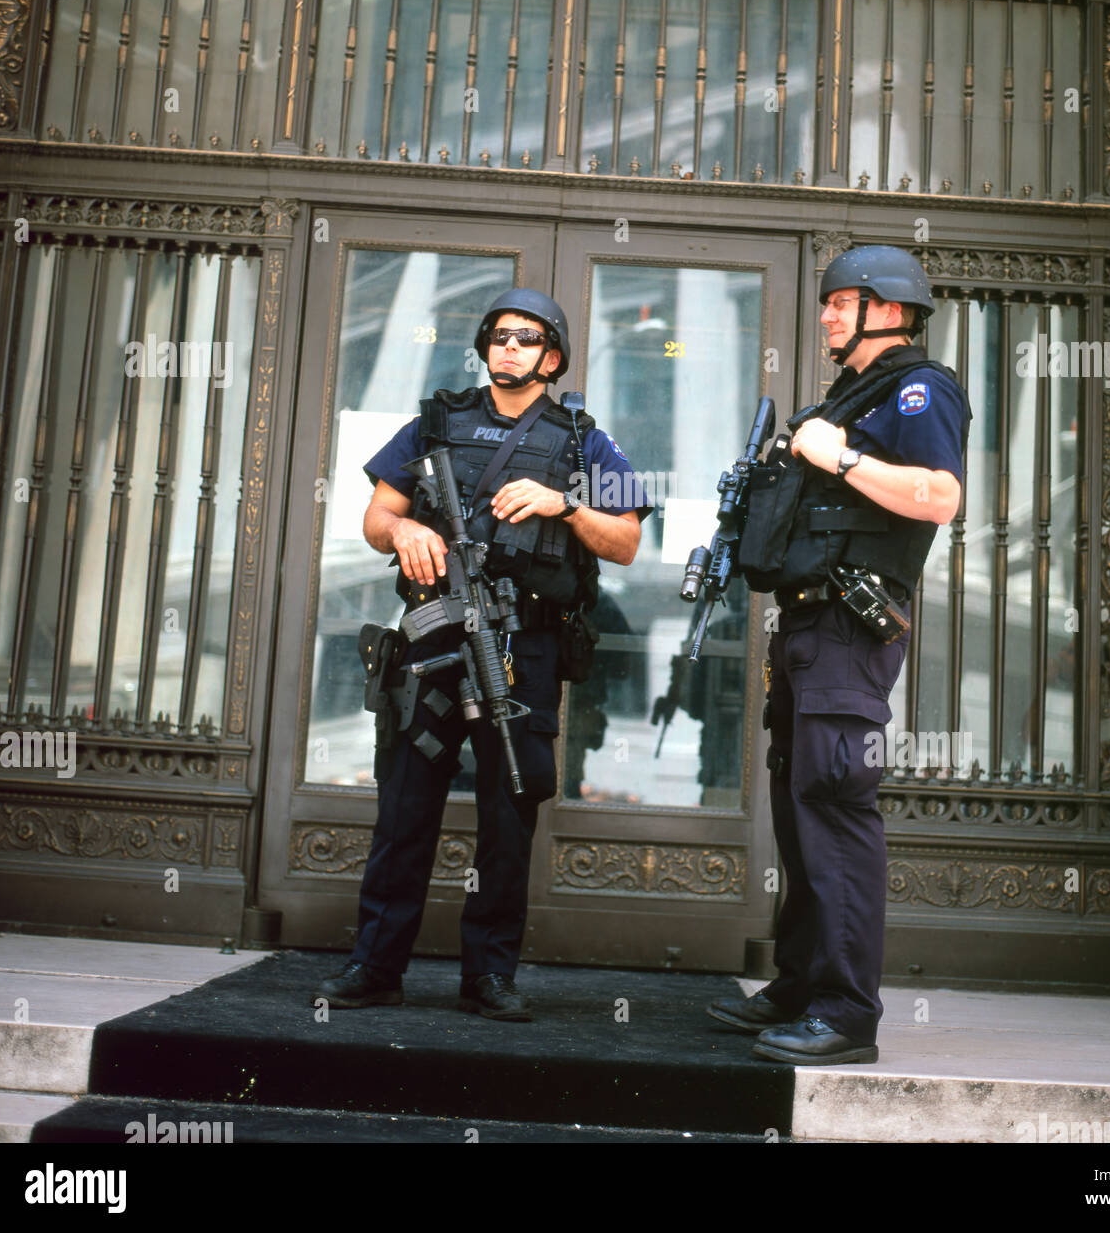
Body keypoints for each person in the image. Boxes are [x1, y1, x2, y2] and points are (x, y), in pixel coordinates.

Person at [315, 288, 648, 1021]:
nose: (509, 347)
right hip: (433, 641)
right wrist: (403, 533)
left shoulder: (584, 441)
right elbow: (376, 514)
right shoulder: (435, 422)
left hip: (522, 648)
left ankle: (489, 976)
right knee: (404, 810)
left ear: (550, 357)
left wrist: (565, 504)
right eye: (498, 335)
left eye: (526, 338)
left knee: (508, 816)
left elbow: (626, 541)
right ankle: (375, 965)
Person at [707, 245, 969, 1063]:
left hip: (851, 630)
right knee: (799, 811)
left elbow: (939, 496)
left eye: (838, 301)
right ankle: (799, 982)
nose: (824, 314)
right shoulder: (847, 394)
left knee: (834, 807)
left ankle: (847, 1015)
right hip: (807, 630)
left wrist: (841, 456)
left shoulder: (918, 388)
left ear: (885, 309)